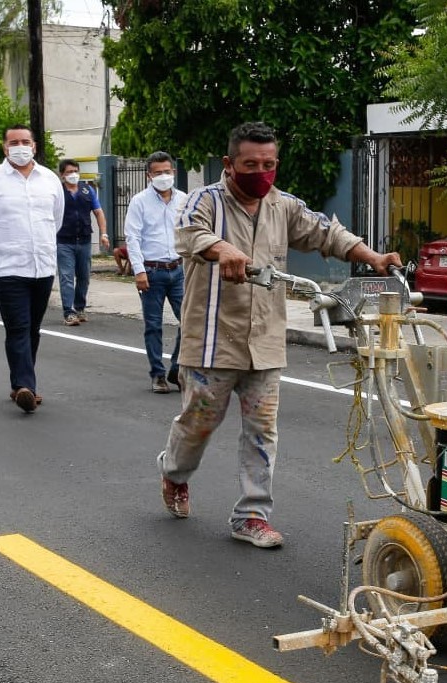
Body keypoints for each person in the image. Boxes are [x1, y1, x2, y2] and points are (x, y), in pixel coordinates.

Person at [158, 122, 402, 548]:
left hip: (266, 342)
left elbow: (327, 233)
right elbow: (189, 235)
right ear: (229, 164)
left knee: (262, 430)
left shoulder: (283, 206)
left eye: (269, 164)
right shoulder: (204, 201)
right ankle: (174, 473)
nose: (261, 171)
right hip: (212, 339)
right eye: (251, 164)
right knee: (199, 422)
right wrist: (223, 249)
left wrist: (373, 257)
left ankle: (251, 515)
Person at [0, 125, 64, 414]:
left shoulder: (49, 180)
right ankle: (25, 387)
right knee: (18, 326)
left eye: (25, 142)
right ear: (4, 147)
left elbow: (55, 220)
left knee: (32, 328)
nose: (20, 146)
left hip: (42, 265)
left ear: (34, 146)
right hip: (7, 268)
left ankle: (19, 383)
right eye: (13, 142)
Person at [125, 151, 188, 393]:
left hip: (178, 270)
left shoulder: (183, 198)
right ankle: (157, 375)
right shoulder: (139, 201)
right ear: (148, 175)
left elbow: (189, 232)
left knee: (190, 321)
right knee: (153, 325)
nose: (163, 176)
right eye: (158, 172)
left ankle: (177, 367)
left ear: (173, 171)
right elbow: (133, 237)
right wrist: (139, 272)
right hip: (151, 271)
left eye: (167, 171)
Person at [56, 158, 108, 326]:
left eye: (75, 171)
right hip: (64, 241)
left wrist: (104, 234)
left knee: (84, 276)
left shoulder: (87, 190)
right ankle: (68, 312)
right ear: (62, 175)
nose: (73, 175)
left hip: (84, 240)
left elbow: (98, 212)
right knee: (66, 276)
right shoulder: (57, 192)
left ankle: (80, 307)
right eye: (69, 172)